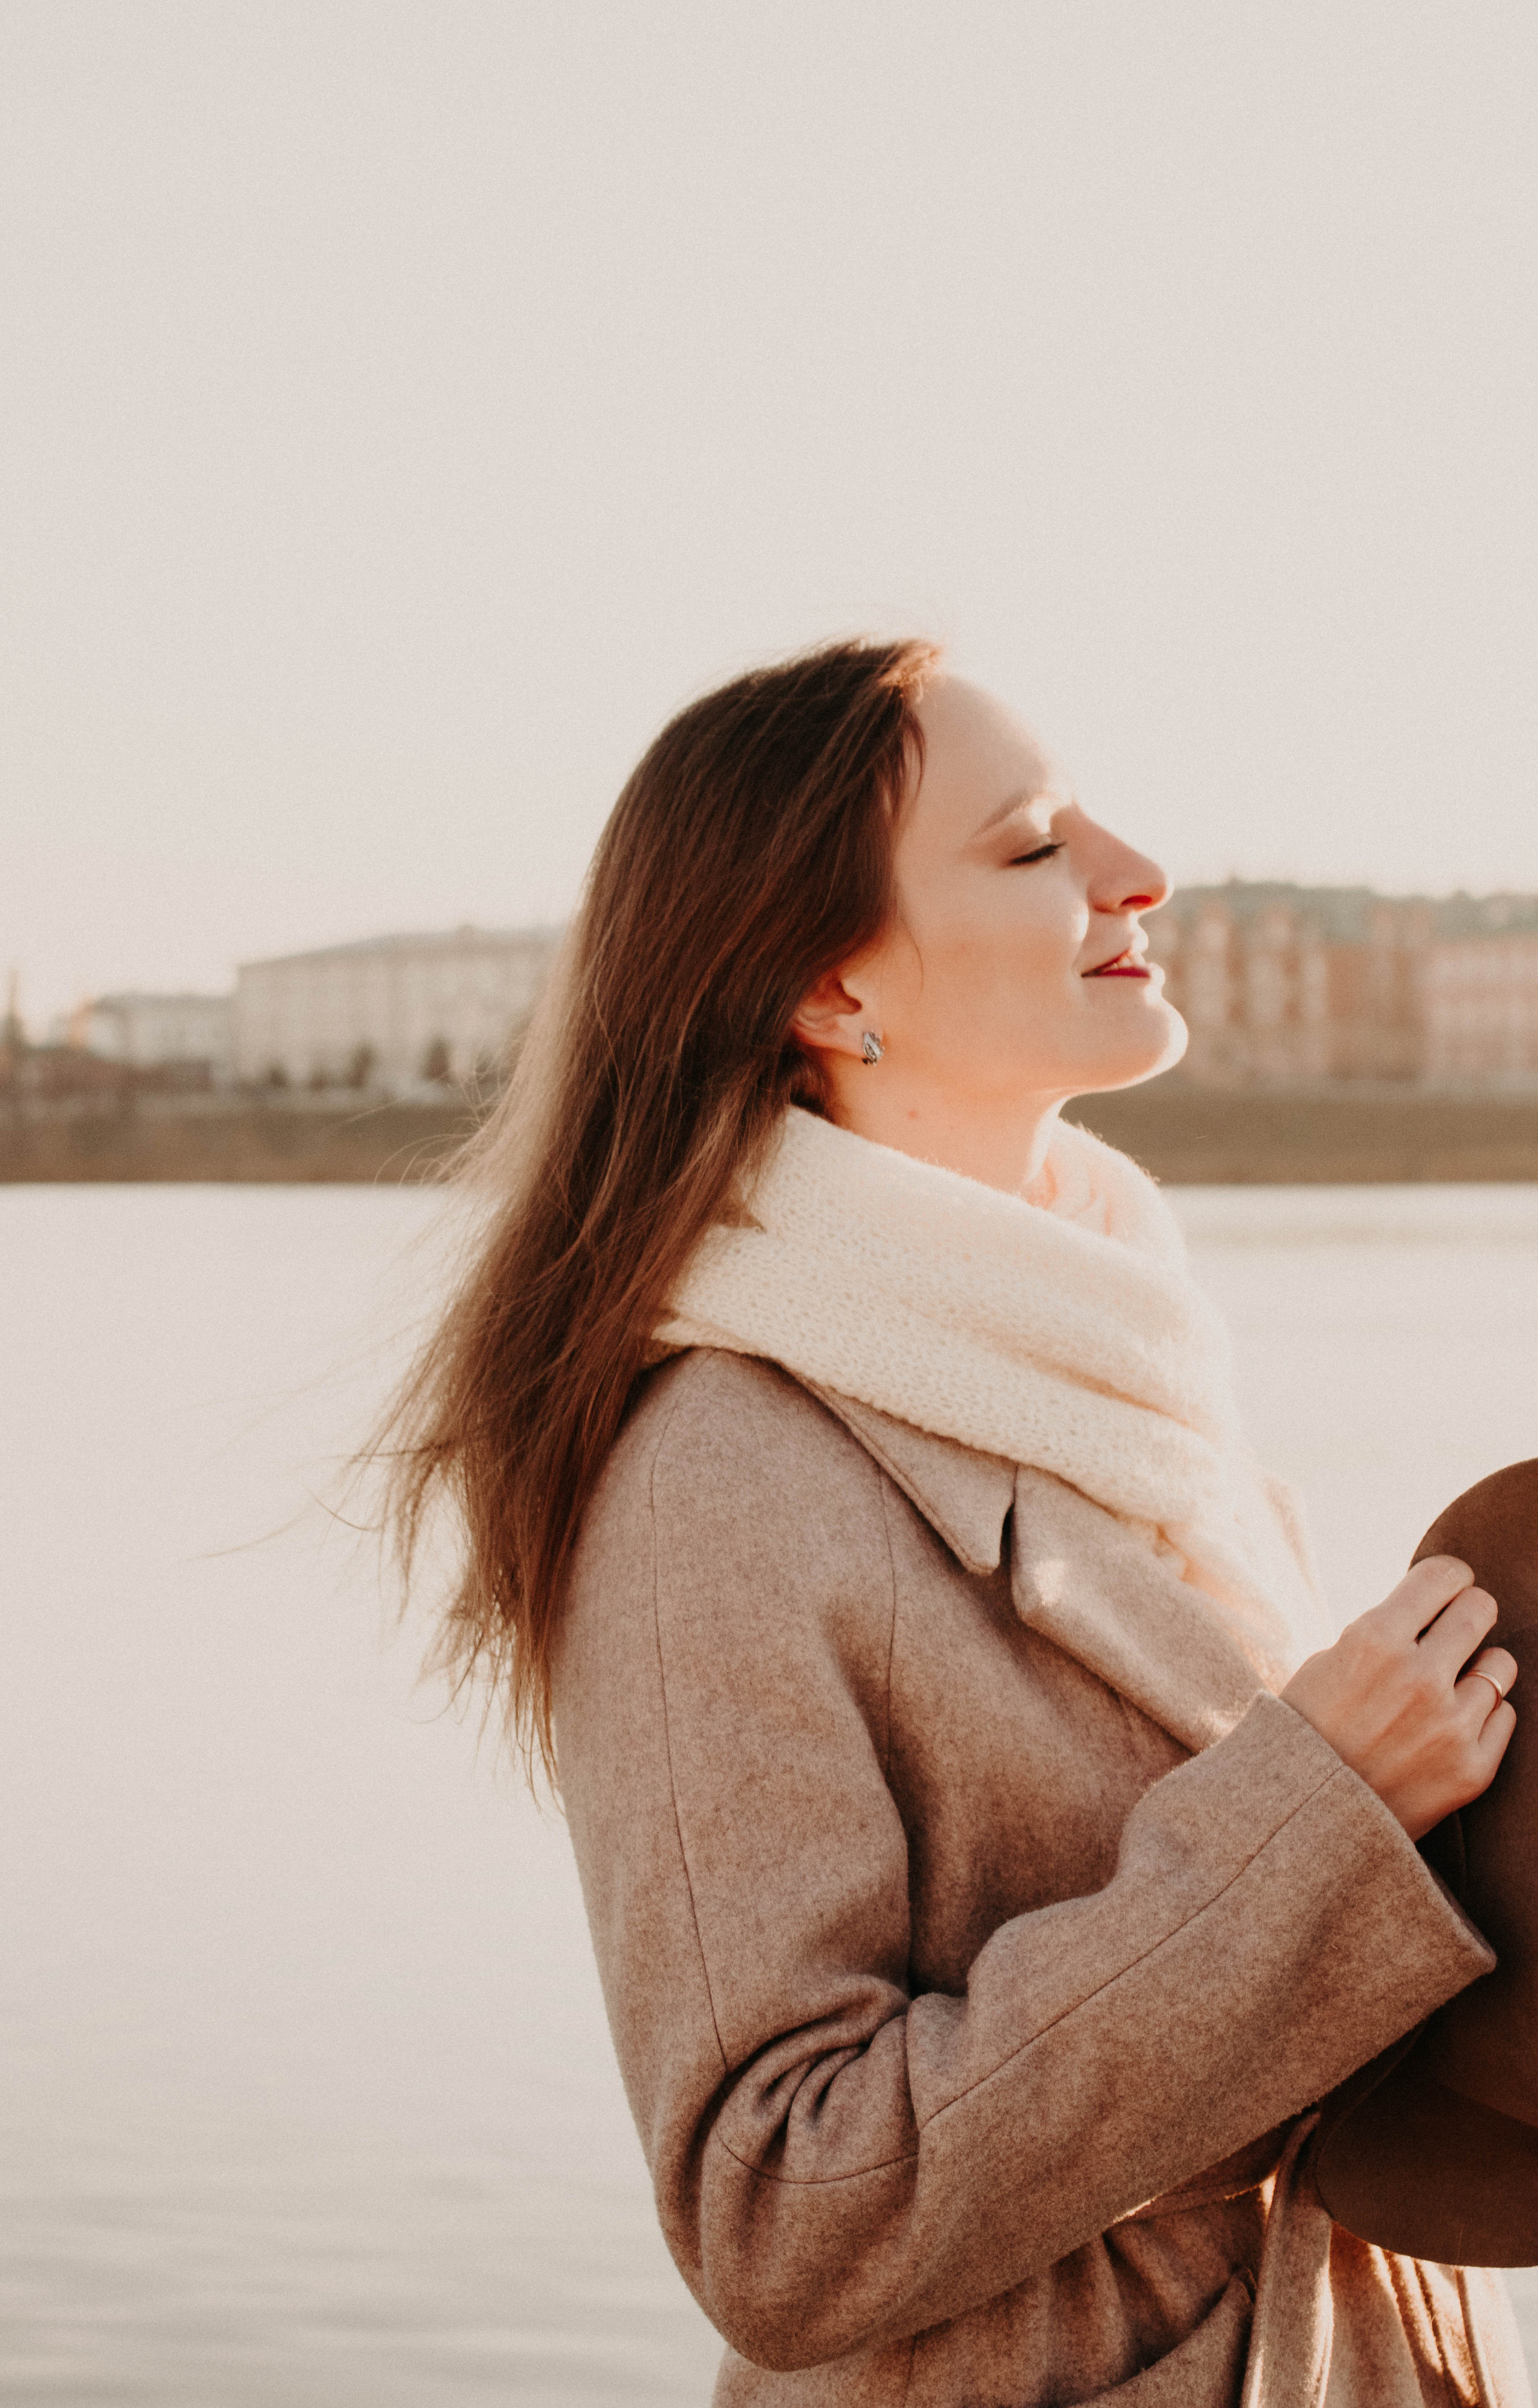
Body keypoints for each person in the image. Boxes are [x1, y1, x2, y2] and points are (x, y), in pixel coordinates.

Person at [385, 639, 1528, 2404]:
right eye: (1029, 847)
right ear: (834, 989)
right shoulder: (725, 1479)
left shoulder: (1130, 1381)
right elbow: (778, 2213)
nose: (1137, 870)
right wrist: (1323, 1810)